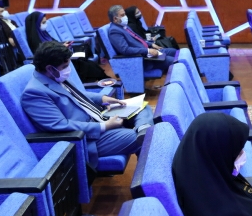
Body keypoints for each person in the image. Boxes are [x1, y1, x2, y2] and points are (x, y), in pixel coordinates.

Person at [21, 41, 153, 170]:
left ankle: (143, 128)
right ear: (50, 68)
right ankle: (145, 140)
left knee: (141, 106)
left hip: (99, 116)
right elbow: (59, 125)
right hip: (88, 138)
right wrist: (105, 126)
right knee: (147, 139)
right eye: (65, 66)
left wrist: (103, 98)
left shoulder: (54, 76)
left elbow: (76, 95)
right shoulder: (34, 93)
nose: (68, 69)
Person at [106, 5, 178, 72]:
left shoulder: (124, 26)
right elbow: (125, 50)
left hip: (148, 52)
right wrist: (147, 51)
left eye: (125, 14)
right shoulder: (114, 31)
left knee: (175, 52)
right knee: (175, 61)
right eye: (122, 15)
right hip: (143, 59)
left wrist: (151, 44)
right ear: (115, 19)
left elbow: (138, 39)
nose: (125, 16)